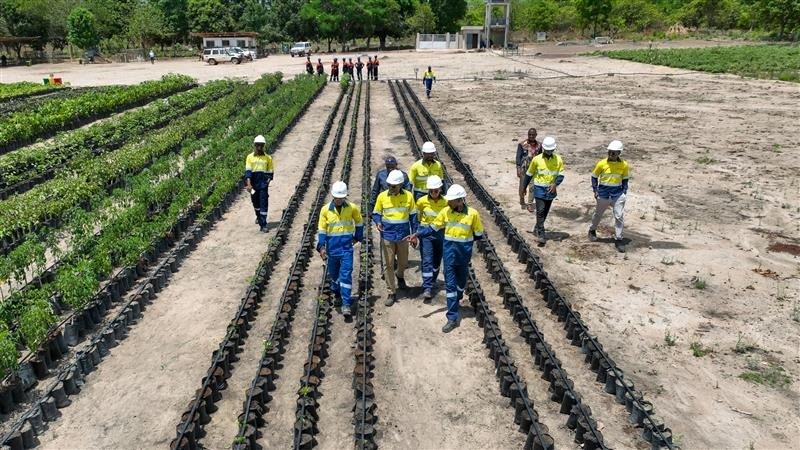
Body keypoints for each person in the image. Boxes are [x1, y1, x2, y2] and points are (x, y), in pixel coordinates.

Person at [407, 184, 483, 333]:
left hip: (463, 255)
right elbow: (432, 228)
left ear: (460, 200)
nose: (448, 202)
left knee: (461, 283)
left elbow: (478, 234)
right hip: (449, 255)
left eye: (451, 200)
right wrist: (417, 234)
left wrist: (465, 243)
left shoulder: (473, 214)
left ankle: (458, 295)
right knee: (450, 286)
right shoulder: (445, 212)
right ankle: (452, 317)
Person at [317, 181, 363, 316]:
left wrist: (357, 237)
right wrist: (321, 246)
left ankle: (346, 303)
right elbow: (322, 229)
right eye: (336, 198)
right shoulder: (325, 210)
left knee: (346, 275)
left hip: (346, 249)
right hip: (332, 249)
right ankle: (337, 294)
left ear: (345, 197)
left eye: (341, 198)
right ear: (333, 196)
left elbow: (359, 222)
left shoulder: (352, 208)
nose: (338, 200)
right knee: (334, 276)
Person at [372, 169, 417, 306]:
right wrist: (378, 222)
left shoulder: (409, 197)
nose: (390, 188)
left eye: (393, 186)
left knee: (403, 262)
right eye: (389, 185)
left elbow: (413, 217)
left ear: (400, 185)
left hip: (403, 235)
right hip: (388, 235)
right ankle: (391, 291)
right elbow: (376, 213)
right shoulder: (382, 197)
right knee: (388, 264)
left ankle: (400, 275)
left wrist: (414, 234)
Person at [519, 136, 564, 244]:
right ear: (544, 149)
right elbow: (529, 174)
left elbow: (561, 174)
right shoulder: (537, 159)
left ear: (554, 149)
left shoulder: (558, 159)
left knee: (545, 211)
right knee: (540, 210)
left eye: (551, 150)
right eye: (547, 150)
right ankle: (541, 234)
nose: (549, 152)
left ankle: (537, 227)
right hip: (539, 189)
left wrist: (555, 184)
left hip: (550, 190)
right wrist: (524, 187)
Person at [588, 140, 630, 253]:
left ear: (619, 153)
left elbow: (625, 179)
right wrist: (595, 190)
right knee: (598, 215)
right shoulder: (601, 164)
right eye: (609, 152)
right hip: (603, 194)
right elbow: (594, 176)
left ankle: (619, 238)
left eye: (613, 152)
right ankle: (592, 230)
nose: (611, 154)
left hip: (617, 194)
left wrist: (624, 191)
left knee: (619, 216)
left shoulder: (624, 165)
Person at [415, 175, 447, 301]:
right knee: (427, 259)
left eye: (436, 190)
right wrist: (418, 232)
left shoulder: (446, 202)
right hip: (426, 233)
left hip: (441, 233)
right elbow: (418, 218)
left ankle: (433, 279)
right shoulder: (421, 201)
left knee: (437, 260)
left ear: (440, 189)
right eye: (431, 191)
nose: (434, 193)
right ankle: (427, 287)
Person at [245, 135, 274, 233]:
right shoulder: (249, 157)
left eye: (261, 145)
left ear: (263, 145)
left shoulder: (268, 158)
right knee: (255, 203)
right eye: (258, 145)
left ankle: (263, 224)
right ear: (255, 145)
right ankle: (258, 216)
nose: (259, 147)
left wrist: (267, 181)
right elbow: (248, 172)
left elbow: (270, 172)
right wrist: (249, 184)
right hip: (253, 185)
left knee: (263, 203)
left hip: (263, 185)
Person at [515, 128, 542, 208]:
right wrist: (518, 168)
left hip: (534, 169)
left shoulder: (539, 145)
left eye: (533, 135)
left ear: (536, 135)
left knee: (533, 186)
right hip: (524, 168)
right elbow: (518, 157)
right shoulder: (522, 144)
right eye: (529, 135)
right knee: (522, 186)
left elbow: (541, 157)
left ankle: (530, 203)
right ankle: (522, 199)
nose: (531, 136)